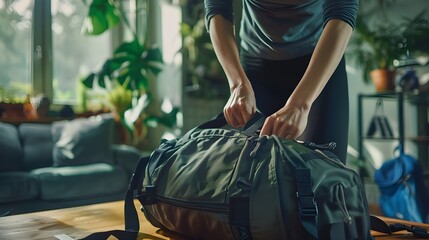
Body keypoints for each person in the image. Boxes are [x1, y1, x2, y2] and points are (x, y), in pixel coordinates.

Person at [204, 0, 359, 163]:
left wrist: (300, 104)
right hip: (257, 65)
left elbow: (342, 11)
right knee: (258, 177)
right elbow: (218, 8)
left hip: (319, 64)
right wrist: (237, 84)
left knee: (326, 173)